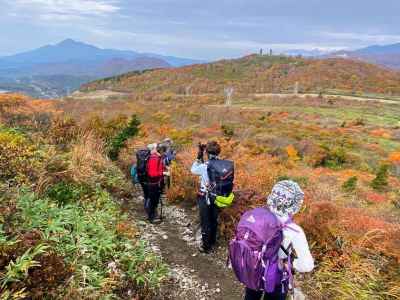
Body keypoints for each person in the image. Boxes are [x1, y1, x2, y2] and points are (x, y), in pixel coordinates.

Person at [244, 180, 314, 300]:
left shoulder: (257, 215)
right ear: (295, 205)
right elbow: (306, 266)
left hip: (254, 269)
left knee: (251, 296)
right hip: (276, 277)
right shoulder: (295, 231)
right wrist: (291, 264)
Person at [191, 141, 222, 253]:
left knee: (205, 221)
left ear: (207, 153)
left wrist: (199, 156)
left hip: (205, 196)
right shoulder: (223, 165)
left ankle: (206, 246)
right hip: (218, 196)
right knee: (214, 219)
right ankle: (213, 241)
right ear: (219, 152)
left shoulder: (205, 166)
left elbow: (193, 170)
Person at [146, 143, 166, 223]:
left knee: (154, 199)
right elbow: (152, 174)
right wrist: (163, 173)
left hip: (154, 182)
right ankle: (152, 217)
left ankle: (153, 216)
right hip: (154, 183)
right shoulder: (155, 158)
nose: (164, 153)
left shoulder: (155, 157)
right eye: (163, 151)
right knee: (153, 199)